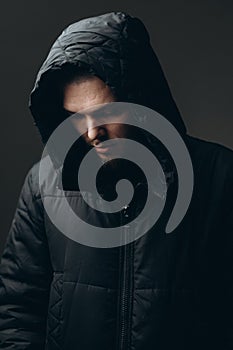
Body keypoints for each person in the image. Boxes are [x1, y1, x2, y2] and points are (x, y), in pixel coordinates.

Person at [0, 11, 233, 350]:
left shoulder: (220, 176)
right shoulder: (43, 185)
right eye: (76, 117)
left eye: (106, 112)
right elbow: (17, 311)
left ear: (142, 104)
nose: (92, 133)